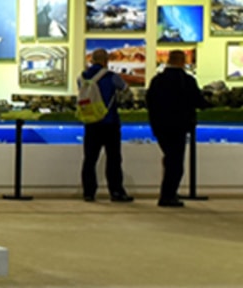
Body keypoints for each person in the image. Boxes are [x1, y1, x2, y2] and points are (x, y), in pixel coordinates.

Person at [145, 49, 202, 208]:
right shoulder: (187, 80)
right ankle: (168, 195)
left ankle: (168, 193)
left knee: (170, 158)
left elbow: (150, 101)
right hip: (179, 126)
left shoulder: (157, 80)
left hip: (160, 126)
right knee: (175, 162)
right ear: (183, 61)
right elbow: (198, 101)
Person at [78, 47, 133, 203]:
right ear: (106, 61)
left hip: (91, 122)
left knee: (89, 159)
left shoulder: (81, 77)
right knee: (114, 159)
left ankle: (89, 192)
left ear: (91, 60)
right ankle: (116, 191)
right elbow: (126, 92)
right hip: (110, 123)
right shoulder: (112, 77)